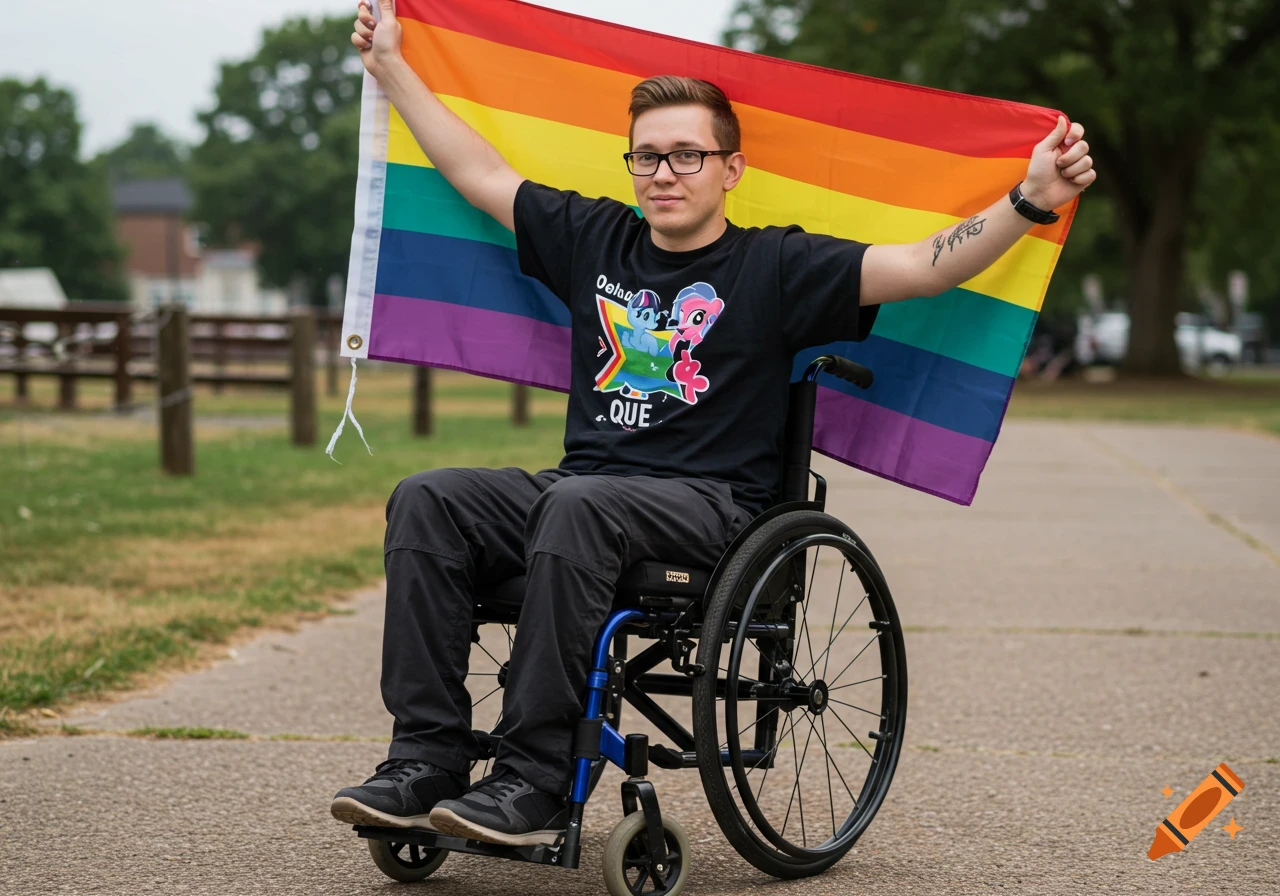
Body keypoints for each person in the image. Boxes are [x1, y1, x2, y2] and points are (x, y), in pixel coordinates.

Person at [330, 0, 1096, 848]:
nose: (665, 172)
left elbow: (919, 268)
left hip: (712, 510)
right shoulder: (596, 239)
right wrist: (392, 66)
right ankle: (424, 761)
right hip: (582, 496)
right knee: (429, 499)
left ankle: (535, 777)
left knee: (578, 507)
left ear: (730, 168)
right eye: (648, 156)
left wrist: (1029, 199)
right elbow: (478, 174)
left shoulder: (777, 264)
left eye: (687, 154)